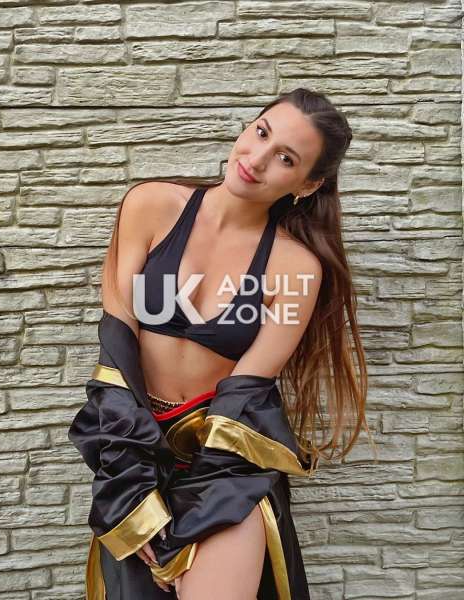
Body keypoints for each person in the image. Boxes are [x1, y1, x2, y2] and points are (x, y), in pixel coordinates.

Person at [68, 87, 376, 600]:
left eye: (286, 159)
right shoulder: (151, 205)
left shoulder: (296, 267)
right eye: (261, 133)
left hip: (227, 465)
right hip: (132, 444)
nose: (257, 159)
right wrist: (130, 488)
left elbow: (245, 394)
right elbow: (117, 350)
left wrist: (198, 510)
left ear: (307, 184)